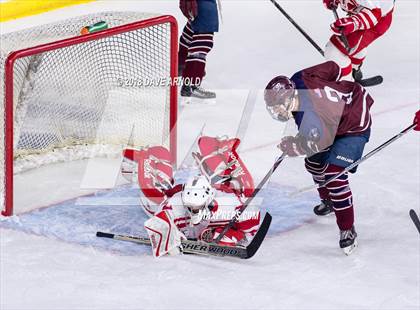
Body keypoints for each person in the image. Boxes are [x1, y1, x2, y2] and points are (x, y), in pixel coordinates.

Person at [264, 61, 374, 255]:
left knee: (334, 175)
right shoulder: (299, 78)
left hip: (354, 123)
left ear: (289, 99)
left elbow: (317, 141)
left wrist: (295, 146)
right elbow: (334, 67)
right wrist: (337, 89)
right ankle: (329, 201)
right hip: (332, 121)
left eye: (278, 107)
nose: (276, 112)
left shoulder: (311, 116)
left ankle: (347, 229)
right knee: (314, 162)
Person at [123, 136, 260, 258]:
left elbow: (251, 225)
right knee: (153, 194)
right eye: (190, 207)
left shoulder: (228, 204)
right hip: (160, 204)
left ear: (208, 200)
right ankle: (147, 157)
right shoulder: (175, 205)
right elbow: (156, 224)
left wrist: (234, 237)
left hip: (211, 223)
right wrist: (170, 239)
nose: (193, 210)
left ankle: (224, 149)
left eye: (197, 207)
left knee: (247, 188)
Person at [323, 0, 395, 81]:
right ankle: (353, 69)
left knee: (334, 51)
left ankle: (346, 84)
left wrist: (353, 23)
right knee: (346, 48)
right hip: (364, 16)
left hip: (375, 21)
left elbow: (374, 12)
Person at [178, 0, 219, 100]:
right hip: (204, 5)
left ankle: (181, 67)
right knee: (202, 43)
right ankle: (192, 85)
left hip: (202, 5)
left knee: (190, 34)